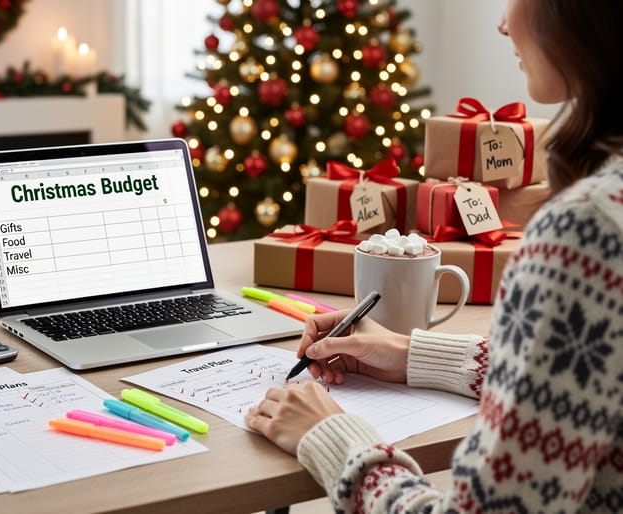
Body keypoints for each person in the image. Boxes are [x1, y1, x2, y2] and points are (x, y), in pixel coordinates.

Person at [245, 0, 623, 512]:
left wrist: (332, 436)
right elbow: (582, 380)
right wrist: (412, 354)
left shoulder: (586, 232)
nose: (502, 23)